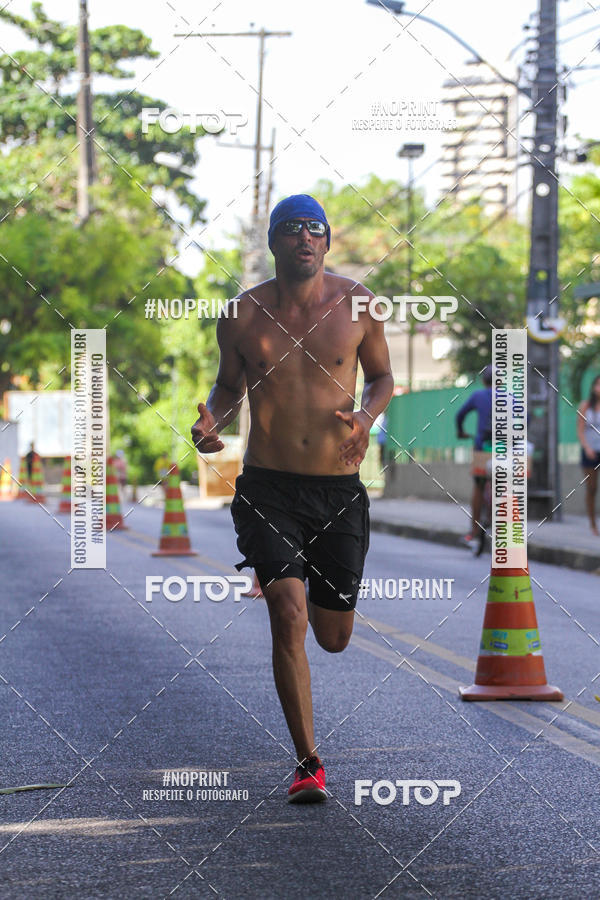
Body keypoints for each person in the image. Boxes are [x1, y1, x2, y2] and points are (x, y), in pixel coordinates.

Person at [191, 194, 393, 803]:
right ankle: (308, 762)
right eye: (292, 230)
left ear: (327, 242)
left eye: (315, 230)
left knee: (333, 636)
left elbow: (383, 377)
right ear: (274, 243)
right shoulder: (241, 314)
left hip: (336, 489)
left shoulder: (360, 304)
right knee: (287, 612)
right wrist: (211, 424)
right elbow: (229, 387)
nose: (305, 238)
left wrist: (365, 415)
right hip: (268, 487)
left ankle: (309, 749)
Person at [455, 365, 493, 547]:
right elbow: (526, 417)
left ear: (484, 380)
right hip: (505, 449)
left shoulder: (478, 396)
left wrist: (461, 431)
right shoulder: (511, 396)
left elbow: (460, 415)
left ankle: (474, 530)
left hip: (482, 448)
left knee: (478, 487)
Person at [577, 374, 600, 535]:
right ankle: (592, 523)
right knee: (592, 488)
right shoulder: (585, 406)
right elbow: (580, 430)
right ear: (593, 387)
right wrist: (587, 448)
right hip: (590, 451)